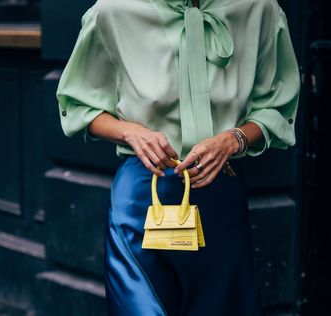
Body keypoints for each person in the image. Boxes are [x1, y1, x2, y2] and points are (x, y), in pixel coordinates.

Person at [56, 0, 300, 315]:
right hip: (143, 196)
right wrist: (131, 131)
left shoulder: (259, 9)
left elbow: (278, 105)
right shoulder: (112, 11)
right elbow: (78, 105)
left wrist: (232, 139)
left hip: (218, 194)